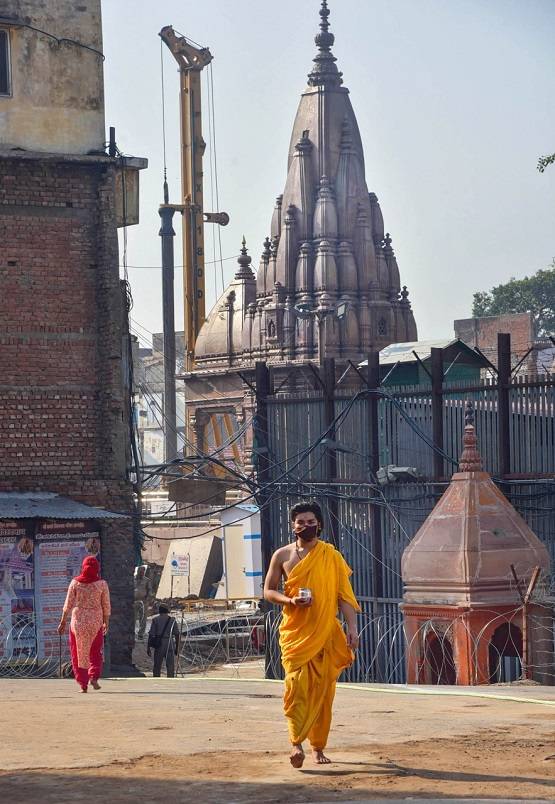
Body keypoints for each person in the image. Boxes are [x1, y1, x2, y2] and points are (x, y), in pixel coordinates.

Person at [263, 501, 360, 768]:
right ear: (293, 526)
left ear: (319, 524)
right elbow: (268, 591)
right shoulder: (282, 556)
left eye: (310, 521)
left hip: (326, 633)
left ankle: (317, 748)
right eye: (300, 522)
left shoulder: (332, 556)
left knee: (323, 692)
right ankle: (296, 744)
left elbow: (345, 598)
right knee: (296, 689)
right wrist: (291, 602)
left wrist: (352, 629)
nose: (306, 526)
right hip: (295, 635)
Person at [57, 556, 110, 693]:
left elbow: (67, 604)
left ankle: (83, 684)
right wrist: (106, 623)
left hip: (78, 622)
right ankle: (94, 676)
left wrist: (62, 622)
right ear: (97, 568)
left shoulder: (75, 583)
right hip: (95, 622)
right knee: (95, 652)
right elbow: (106, 606)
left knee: (78, 652)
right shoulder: (102, 584)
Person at [147, 604, 179, 677]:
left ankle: (157, 680)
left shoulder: (155, 620)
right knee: (170, 666)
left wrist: (148, 647)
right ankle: (171, 682)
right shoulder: (172, 620)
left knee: (157, 666)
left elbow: (151, 634)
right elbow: (177, 634)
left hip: (159, 644)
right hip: (170, 643)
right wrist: (177, 647)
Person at [134, 565, 152, 640]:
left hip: (143, 602)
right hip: (134, 601)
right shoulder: (133, 579)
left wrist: (147, 599)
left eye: (143, 572)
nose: (141, 573)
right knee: (132, 618)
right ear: (137, 571)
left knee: (143, 618)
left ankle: (140, 634)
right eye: (140, 571)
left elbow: (150, 591)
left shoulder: (147, 580)